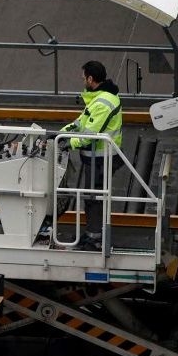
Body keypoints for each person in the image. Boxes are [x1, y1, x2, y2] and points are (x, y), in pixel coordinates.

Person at [67, 59, 124, 250]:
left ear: (90, 79)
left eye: (83, 77)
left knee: (95, 199)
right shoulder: (100, 98)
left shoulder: (102, 103)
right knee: (93, 197)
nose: (82, 80)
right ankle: (92, 234)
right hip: (98, 158)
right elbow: (80, 123)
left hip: (101, 159)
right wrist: (60, 134)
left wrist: (68, 143)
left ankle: (95, 239)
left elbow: (89, 135)